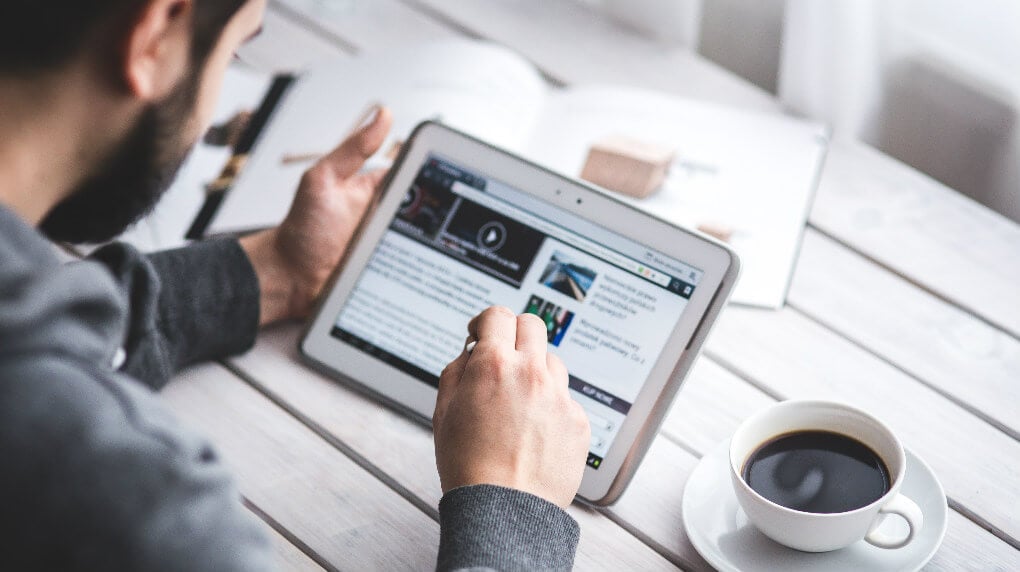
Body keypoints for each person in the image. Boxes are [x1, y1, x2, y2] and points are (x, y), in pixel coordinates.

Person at [0, 0, 592, 570]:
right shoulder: (138, 511)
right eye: (232, 54)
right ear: (157, 31)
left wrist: (276, 270)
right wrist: (514, 505)